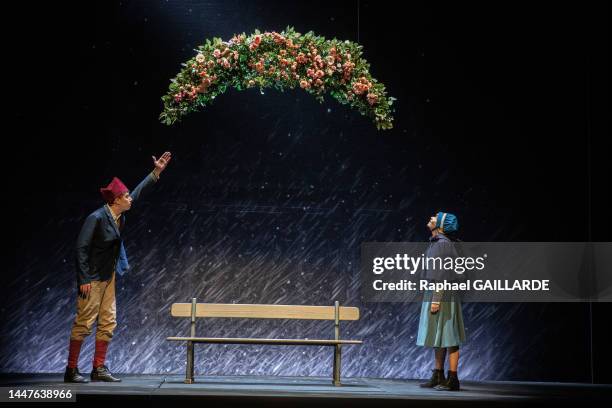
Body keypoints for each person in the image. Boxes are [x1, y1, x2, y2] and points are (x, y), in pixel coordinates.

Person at [64, 152, 172, 383]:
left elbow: (137, 194)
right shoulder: (97, 218)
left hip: (108, 276)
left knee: (108, 320)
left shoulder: (118, 216)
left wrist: (156, 173)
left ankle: (98, 368)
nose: (129, 198)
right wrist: (83, 279)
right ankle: (71, 370)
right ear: (115, 200)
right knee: (85, 320)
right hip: (92, 278)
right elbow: (81, 249)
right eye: (125, 196)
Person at [417, 211, 466, 391]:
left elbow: (442, 275)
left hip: (443, 293)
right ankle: (438, 374)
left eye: (434, 218)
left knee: (449, 335)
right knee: (439, 336)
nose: (430, 218)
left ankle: (453, 378)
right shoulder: (437, 244)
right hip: (437, 291)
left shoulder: (443, 245)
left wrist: (436, 298)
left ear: (441, 225)